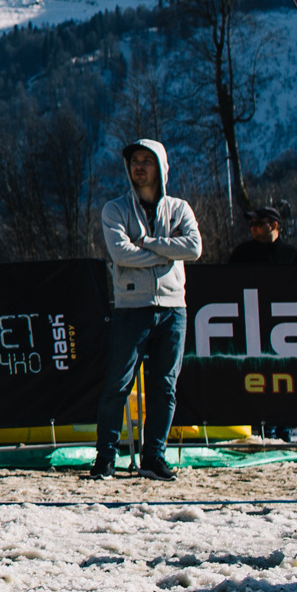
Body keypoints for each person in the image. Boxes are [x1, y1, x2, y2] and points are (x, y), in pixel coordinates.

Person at [94, 139, 203, 482]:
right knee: (117, 385)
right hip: (131, 309)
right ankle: (105, 459)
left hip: (174, 309)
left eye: (147, 161)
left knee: (165, 387)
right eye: (134, 161)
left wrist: (151, 243)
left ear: (162, 167)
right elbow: (121, 254)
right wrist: (170, 252)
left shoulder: (180, 208)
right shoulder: (114, 209)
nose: (139, 166)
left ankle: (153, 457)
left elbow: (195, 248)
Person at [227, 206, 297, 264]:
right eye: (252, 224)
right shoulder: (242, 253)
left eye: (259, 224)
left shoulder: (292, 256)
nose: (253, 228)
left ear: (274, 225)